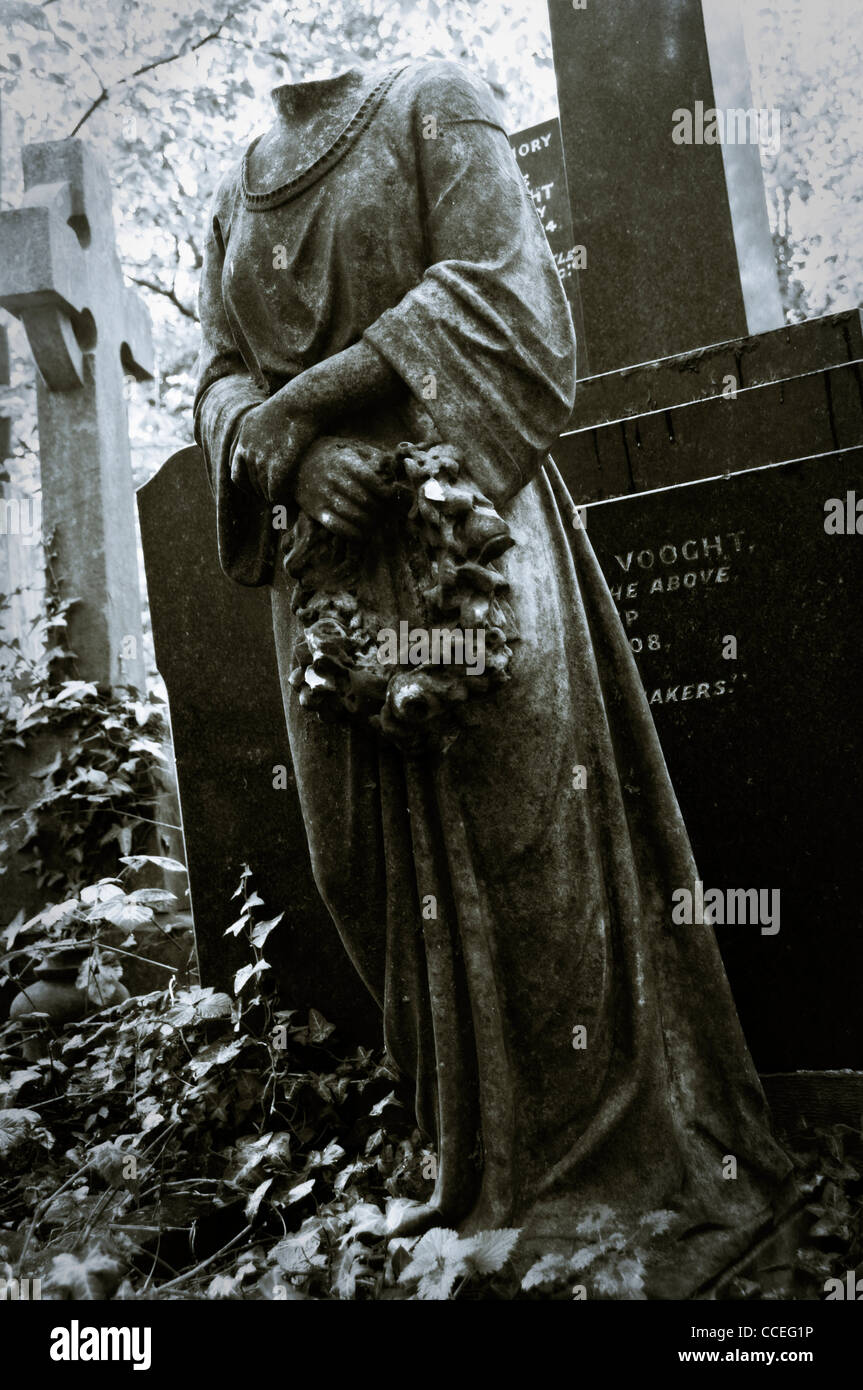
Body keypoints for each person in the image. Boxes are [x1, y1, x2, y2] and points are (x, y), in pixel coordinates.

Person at [194, 57, 792, 1294]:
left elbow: (501, 294)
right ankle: (473, 1165)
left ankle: (604, 1176)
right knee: (359, 870)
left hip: (465, 525)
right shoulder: (229, 191)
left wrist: (303, 407)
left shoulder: (431, 102)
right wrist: (290, 464)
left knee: (530, 863)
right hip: (329, 585)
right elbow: (214, 383)